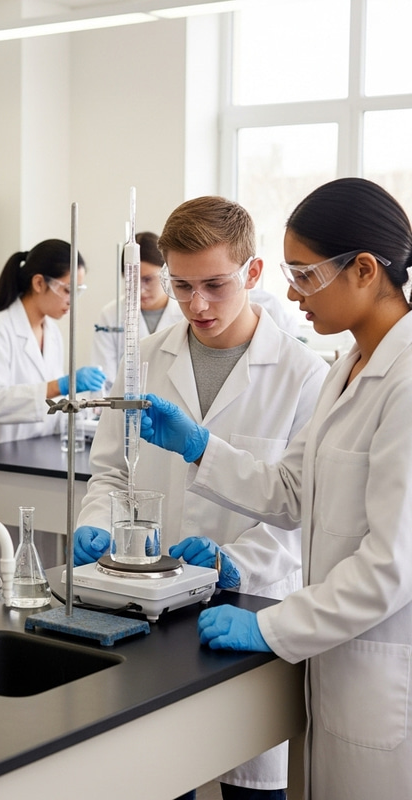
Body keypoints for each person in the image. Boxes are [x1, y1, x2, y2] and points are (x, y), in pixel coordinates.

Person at [140, 178, 412, 798]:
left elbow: (391, 566)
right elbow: (294, 492)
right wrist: (203, 448)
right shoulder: (349, 367)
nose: (291, 293)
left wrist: (273, 626)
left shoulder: (405, 379)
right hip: (334, 662)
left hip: (380, 668)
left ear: (364, 270)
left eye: (305, 275)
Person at [73, 196, 329, 800]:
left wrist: (235, 563)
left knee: (252, 784)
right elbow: (110, 473)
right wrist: (99, 522)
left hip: (250, 610)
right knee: (160, 774)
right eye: (182, 286)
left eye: (215, 285)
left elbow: (303, 511)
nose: (198, 305)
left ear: (254, 272)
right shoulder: (143, 361)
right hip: (149, 604)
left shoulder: (304, 375)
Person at [0, 239, 105, 446]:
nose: (72, 300)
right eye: (67, 290)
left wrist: (85, 410)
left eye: (77, 291)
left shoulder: (52, 332)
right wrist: (59, 386)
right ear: (38, 283)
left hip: (39, 447)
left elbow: (49, 407)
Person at [91, 231, 183, 392]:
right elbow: (105, 379)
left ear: (166, 273)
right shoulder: (111, 315)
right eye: (131, 280)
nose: (140, 290)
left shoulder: (184, 313)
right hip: (123, 402)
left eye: (148, 279)